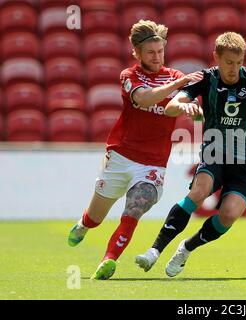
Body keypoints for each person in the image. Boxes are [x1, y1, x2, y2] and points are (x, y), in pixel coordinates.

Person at [135, 32, 246, 277]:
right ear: (216, 57)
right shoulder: (205, 79)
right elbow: (169, 108)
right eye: (229, 62)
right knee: (197, 193)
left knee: (228, 216)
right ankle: (154, 251)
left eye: (239, 63)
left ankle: (187, 247)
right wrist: (183, 106)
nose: (234, 69)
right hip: (214, 154)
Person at [67, 20, 203, 280]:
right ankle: (84, 225)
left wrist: (192, 111)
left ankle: (108, 260)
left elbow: (182, 107)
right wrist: (178, 85)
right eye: (151, 52)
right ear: (137, 53)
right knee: (96, 217)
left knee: (135, 208)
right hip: (121, 155)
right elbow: (144, 99)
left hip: (153, 162)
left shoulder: (174, 76)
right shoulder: (129, 77)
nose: (157, 56)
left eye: (160, 51)